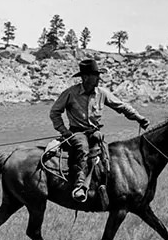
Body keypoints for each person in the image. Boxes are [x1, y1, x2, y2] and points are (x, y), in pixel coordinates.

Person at [50, 59, 149, 203]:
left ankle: (104, 189)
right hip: (77, 133)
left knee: (106, 157)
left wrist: (139, 118)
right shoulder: (71, 93)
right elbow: (55, 112)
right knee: (83, 149)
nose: (98, 78)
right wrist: (64, 131)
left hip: (95, 133)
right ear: (85, 77)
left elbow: (121, 106)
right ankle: (79, 186)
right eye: (95, 75)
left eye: (98, 75)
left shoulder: (102, 93)